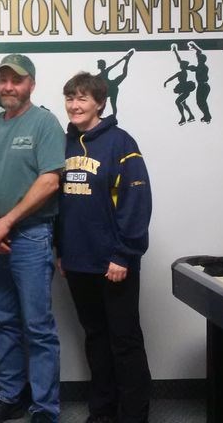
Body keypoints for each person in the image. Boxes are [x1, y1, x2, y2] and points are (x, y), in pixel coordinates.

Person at [0, 54, 65, 423]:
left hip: (30, 236)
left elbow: (50, 181)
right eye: (4, 79)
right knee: (3, 319)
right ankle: (10, 396)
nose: (9, 87)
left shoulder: (44, 123)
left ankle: (45, 407)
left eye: (17, 80)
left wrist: (6, 221)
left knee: (37, 326)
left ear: (31, 85)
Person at [57, 72, 152, 423]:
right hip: (78, 263)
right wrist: (61, 251)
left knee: (124, 341)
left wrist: (123, 254)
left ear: (99, 102)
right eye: (69, 98)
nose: (74, 105)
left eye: (82, 98)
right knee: (96, 339)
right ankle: (102, 411)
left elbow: (137, 201)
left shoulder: (121, 143)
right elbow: (60, 205)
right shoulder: (63, 145)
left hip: (114, 263)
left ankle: (133, 416)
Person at [163, 44, 195, 126]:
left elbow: (172, 77)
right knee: (183, 103)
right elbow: (179, 60)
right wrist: (175, 51)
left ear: (183, 66)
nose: (180, 64)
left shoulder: (182, 72)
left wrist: (166, 81)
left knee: (178, 102)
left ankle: (183, 118)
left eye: (181, 64)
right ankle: (191, 116)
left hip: (184, 90)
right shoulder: (183, 71)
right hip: (183, 90)